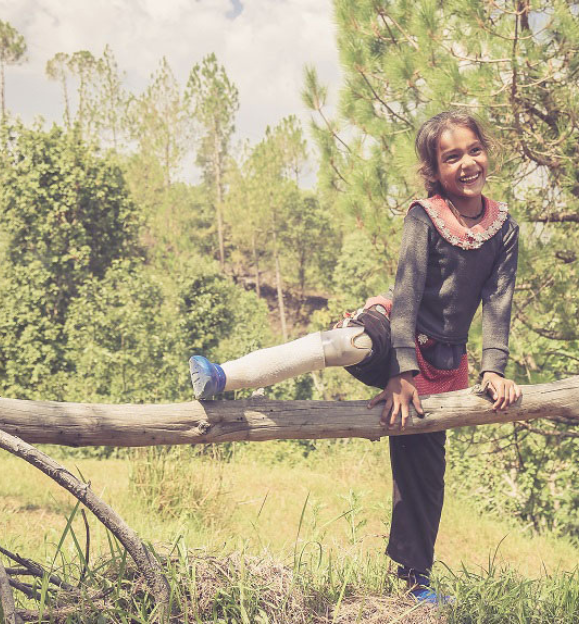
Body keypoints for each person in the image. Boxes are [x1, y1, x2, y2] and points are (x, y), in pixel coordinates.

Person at [188, 109, 521, 605]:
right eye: (452, 157)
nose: (468, 163)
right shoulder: (423, 216)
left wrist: (494, 369)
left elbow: (498, 302)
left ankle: (415, 583)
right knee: (348, 344)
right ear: (434, 170)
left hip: (444, 365)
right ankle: (222, 376)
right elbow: (406, 294)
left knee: (424, 472)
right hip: (393, 332)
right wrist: (400, 370)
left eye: (474, 150)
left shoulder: (504, 227)